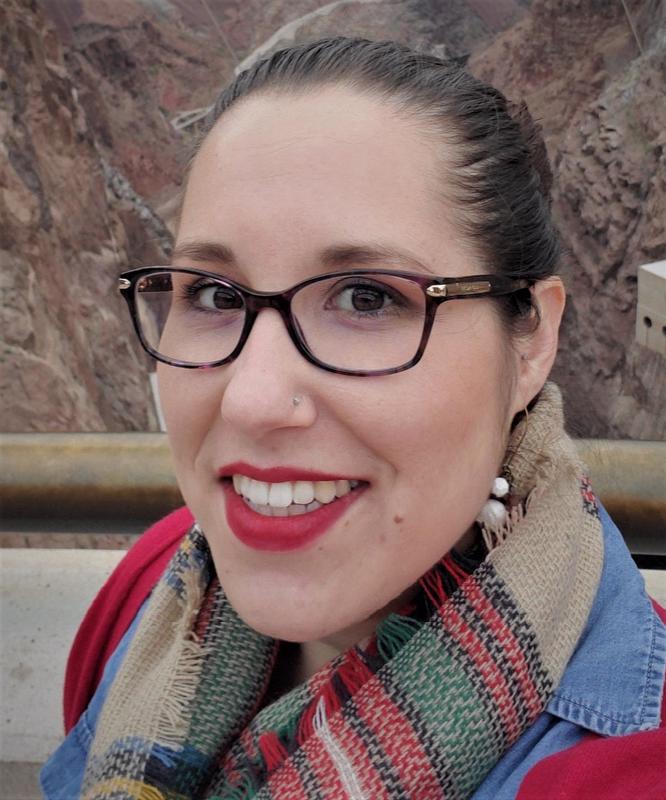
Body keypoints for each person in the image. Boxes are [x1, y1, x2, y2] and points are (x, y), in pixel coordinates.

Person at [41, 37, 665, 799]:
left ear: (531, 340)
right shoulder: (149, 591)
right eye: (213, 294)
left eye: (366, 298)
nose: (251, 399)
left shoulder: (634, 771)